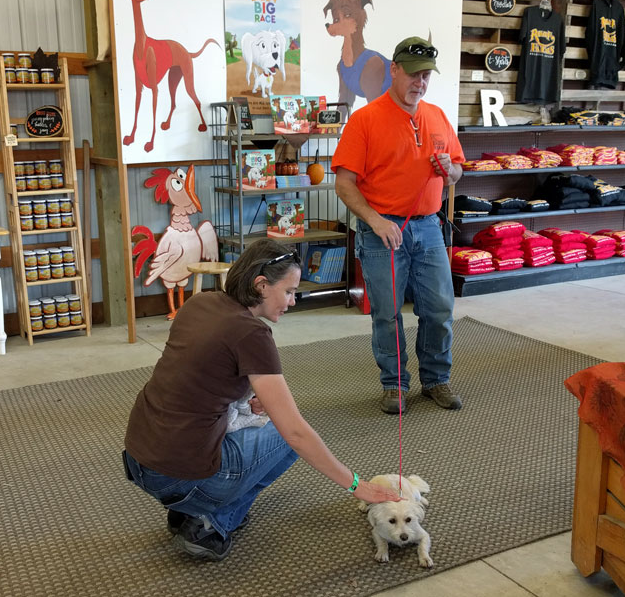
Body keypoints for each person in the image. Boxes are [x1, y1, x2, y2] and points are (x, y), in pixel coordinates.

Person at [123, 238, 400, 561]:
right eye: (288, 291)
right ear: (261, 285)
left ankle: (187, 508)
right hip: (176, 474)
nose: (293, 301)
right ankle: (209, 522)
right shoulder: (252, 334)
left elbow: (198, 376)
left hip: (139, 459)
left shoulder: (202, 303)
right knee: (287, 437)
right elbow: (296, 433)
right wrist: (359, 486)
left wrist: (249, 395)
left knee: (268, 424)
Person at [333, 35, 465, 415]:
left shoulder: (437, 116)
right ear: (393, 70)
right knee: (387, 314)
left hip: (429, 227)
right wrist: (375, 221)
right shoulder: (365, 119)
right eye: (412, 75)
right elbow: (344, 183)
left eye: (425, 76)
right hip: (381, 231)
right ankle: (394, 385)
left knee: (439, 308)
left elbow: (456, 171)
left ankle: (436, 380)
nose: (419, 83)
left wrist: (450, 170)